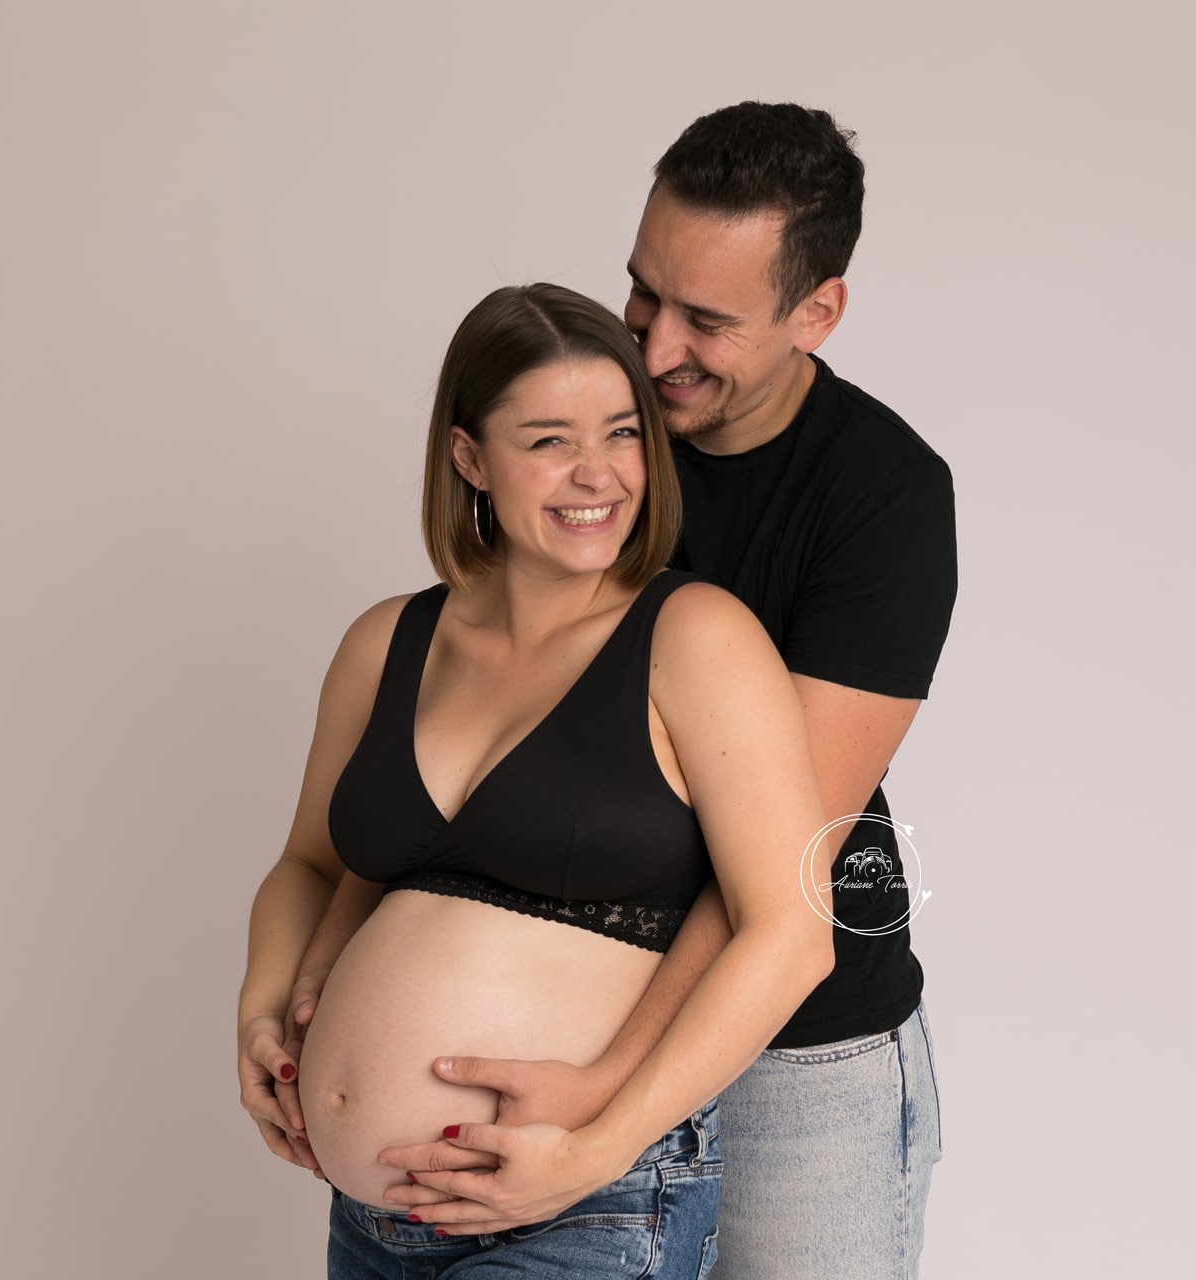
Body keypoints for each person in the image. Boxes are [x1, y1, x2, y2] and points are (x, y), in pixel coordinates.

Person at [325, 103, 958, 1280]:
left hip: (797, 1058)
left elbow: (770, 869)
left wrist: (608, 1105)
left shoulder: (882, 495)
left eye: (707, 322)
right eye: (642, 293)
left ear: (816, 311)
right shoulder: (610, 436)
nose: (656, 347)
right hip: (578, 1059)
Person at [235, 282, 836, 1277]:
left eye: (621, 433)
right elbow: (306, 862)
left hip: (579, 1206)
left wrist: (597, 1146)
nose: (596, 472)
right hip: (370, 1223)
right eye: (549, 439)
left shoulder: (694, 638)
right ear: (470, 455)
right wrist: (261, 1011)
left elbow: (791, 932)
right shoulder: (387, 642)